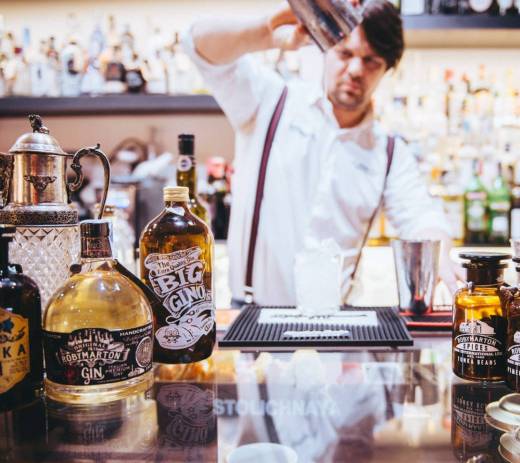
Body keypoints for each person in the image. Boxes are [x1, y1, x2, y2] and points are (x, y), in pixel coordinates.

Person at [184, 0, 461, 306]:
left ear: (387, 69)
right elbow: (197, 42)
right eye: (345, 53)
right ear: (325, 48)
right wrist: (270, 29)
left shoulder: (389, 152)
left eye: (372, 61)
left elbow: (421, 215)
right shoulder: (269, 101)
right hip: (255, 322)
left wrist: (439, 256)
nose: (356, 70)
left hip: (336, 334)